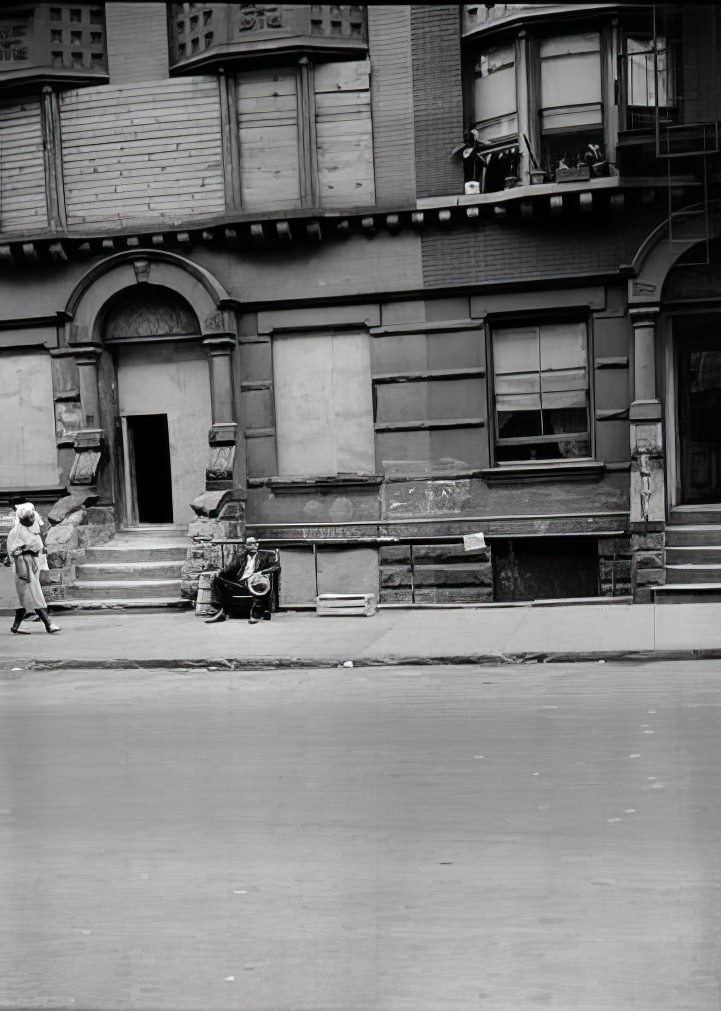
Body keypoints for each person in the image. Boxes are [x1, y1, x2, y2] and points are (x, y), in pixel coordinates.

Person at [6, 502, 60, 634]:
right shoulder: (16, 531)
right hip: (24, 565)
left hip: (32, 564)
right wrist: (25, 550)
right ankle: (49, 624)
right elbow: (12, 551)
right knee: (34, 594)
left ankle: (15, 627)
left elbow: (39, 547)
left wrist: (42, 563)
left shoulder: (34, 525)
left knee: (24, 597)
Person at [205, 536, 280, 625]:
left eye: (255, 543)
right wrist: (221, 572)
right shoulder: (241, 557)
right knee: (217, 580)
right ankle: (219, 611)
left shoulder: (266, 555)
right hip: (240, 583)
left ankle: (255, 614)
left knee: (260, 583)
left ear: (258, 544)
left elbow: (276, 567)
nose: (254, 545)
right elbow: (229, 570)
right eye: (250, 543)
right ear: (246, 546)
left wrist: (260, 573)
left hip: (255, 581)